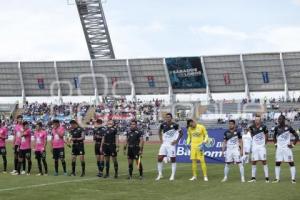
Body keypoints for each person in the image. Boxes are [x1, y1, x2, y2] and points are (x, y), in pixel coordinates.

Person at [155, 113, 183, 181]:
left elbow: (181, 133)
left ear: (171, 118)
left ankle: (172, 175)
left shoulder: (175, 125)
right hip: (164, 144)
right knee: (159, 158)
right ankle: (160, 174)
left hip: (171, 144)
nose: (167, 118)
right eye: (166, 117)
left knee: (173, 159)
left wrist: (176, 141)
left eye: (169, 117)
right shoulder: (162, 124)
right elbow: (159, 131)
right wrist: (161, 139)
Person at [272, 115, 299, 184]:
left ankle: (293, 179)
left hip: (287, 149)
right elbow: (274, 136)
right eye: (278, 119)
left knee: (291, 163)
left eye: (280, 119)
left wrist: (293, 145)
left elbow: (297, 136)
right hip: (279, 149)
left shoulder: (289, 127)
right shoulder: (276, 128)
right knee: (277, 163)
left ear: (284, 120)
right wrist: (275, 144)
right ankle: (277, 179)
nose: (279, 120)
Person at [248, 115, 269, 183]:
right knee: (254, 162)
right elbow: (251, 135)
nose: (257, 121)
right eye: (256, 120)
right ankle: (253, 178)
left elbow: (266, 136)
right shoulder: (251, 127)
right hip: (254, 147)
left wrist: (264, 143)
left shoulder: (264, 127)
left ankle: (267, 178)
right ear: (254, 120)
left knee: (264, 161)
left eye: (258, 120)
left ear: (260, 120)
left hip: (262, 147)